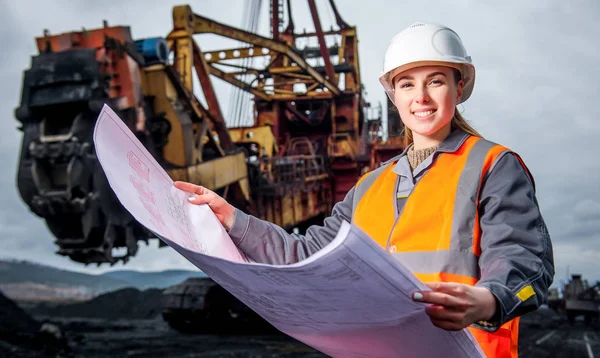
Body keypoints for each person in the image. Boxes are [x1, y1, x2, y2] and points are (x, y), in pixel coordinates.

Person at [174, 22, 554, 358]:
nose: (420, 96)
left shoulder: (494, 165)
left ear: (459, 86)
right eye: (407, 84)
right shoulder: (370, 185)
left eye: (435, 80)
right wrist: (234, 220)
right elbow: (304, 253)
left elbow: (527, 267)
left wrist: (487, 300)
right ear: (395, 97)